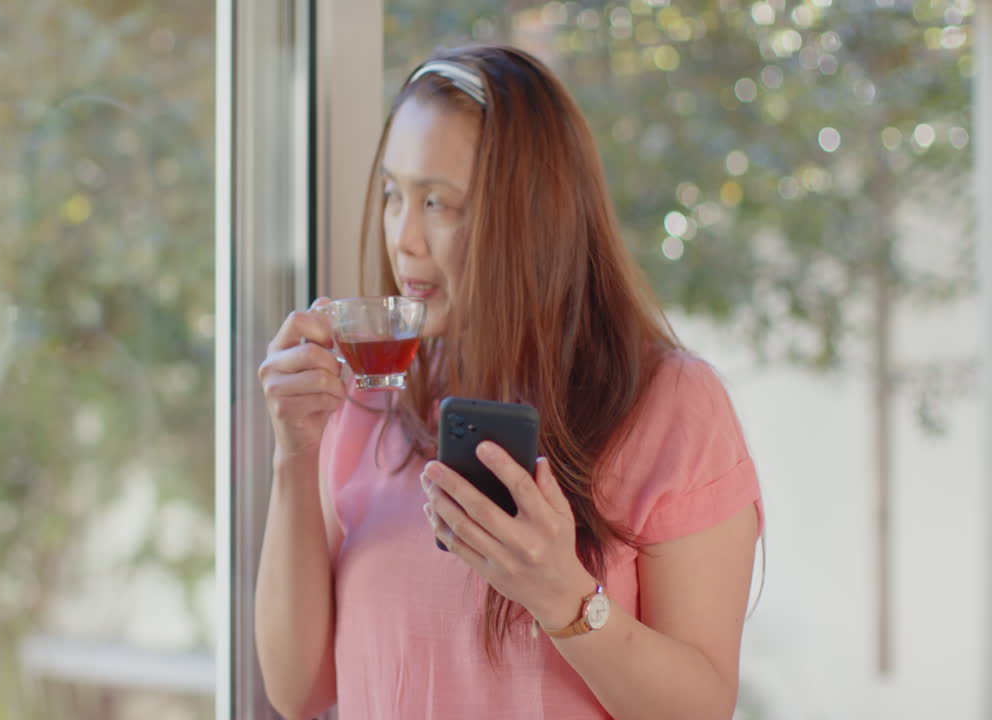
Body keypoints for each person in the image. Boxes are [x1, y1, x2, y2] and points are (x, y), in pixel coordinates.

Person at [254, 44, 764, 720]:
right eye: (391, 194)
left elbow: (701, 709)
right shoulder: (369, 396)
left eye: (437, 202)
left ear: (533, 216)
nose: (402, 238)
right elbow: (299, 691)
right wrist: (294, 456)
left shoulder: (671, 406)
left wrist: (563, 598)